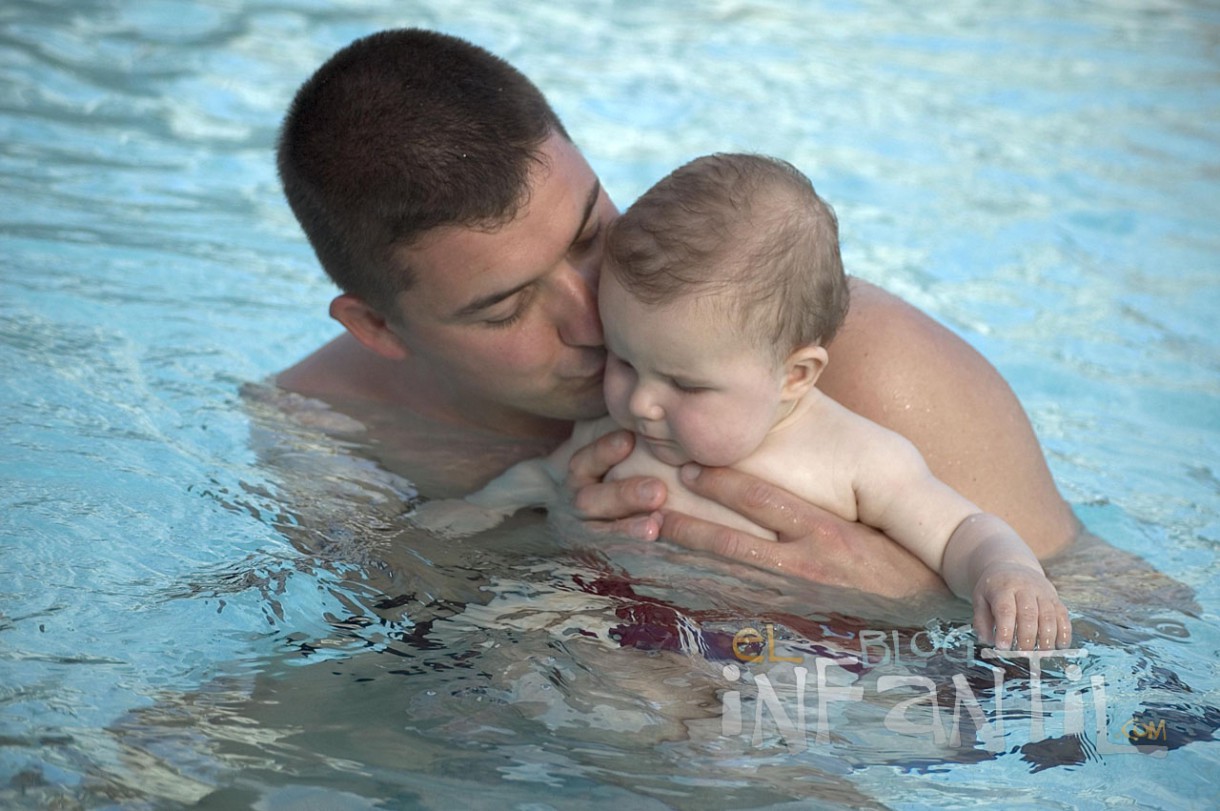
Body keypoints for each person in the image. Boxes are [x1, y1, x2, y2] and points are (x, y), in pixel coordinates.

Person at [273, 27, 1081, 599]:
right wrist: (542, 549)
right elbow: (386, 667)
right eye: (508, 305)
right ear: (377, 329)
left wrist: (898, 598)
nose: (594, 317)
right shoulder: (325, 431)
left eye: (591, 232)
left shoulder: (867, 361)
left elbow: (1129, 638)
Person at [414, 153, 1071, 651]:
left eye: (686, 384)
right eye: (624, 360)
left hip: (786, 647)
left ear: (795, 375)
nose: (640, 401)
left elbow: (960, 529)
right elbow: (545, 479)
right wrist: (471, 513)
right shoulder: (615, 433)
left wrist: (1006, 570)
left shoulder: (853, 455)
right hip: (625, 618)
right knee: (495, 638)